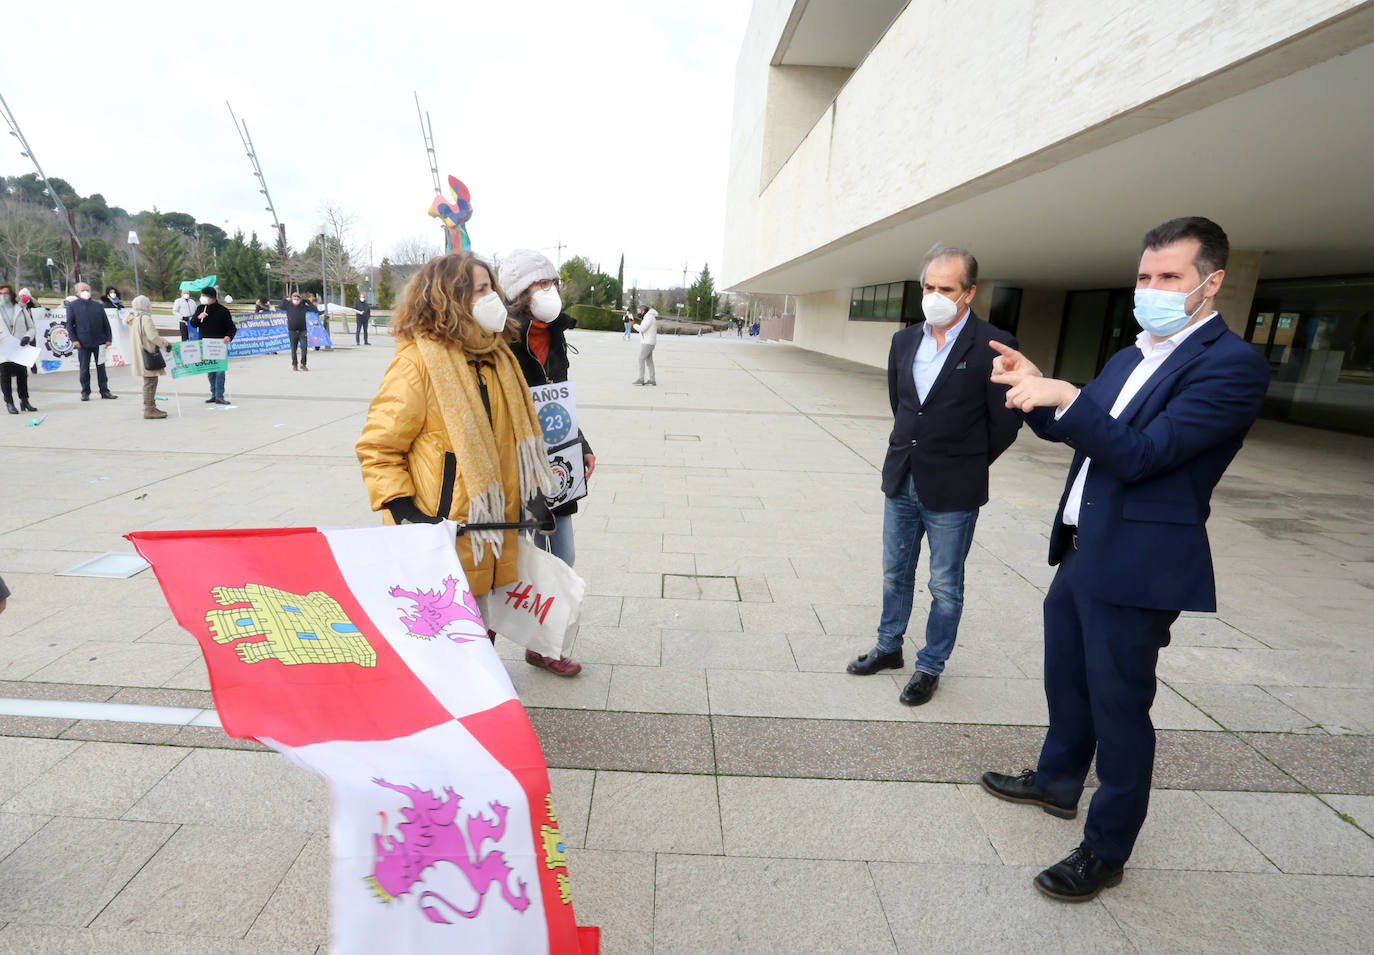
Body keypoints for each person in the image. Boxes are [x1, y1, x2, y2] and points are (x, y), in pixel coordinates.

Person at [979, 217, 1271, 903]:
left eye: (1169, 277)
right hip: (1083, 549)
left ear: (1211, 281)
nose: (1152, 288)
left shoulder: (1232, 365)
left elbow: (1143, 454)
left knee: (1119, 708)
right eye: (1144, 276)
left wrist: (1069, 397)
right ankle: (1055, 781)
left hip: (1139, 563)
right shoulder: (1130, 355)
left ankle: (1106, 850)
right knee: (1067, 679)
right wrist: (1035, 390)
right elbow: (1081, 429)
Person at [356, 251, 562, 666]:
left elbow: (511, 443)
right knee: (438, 643)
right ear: (451, 298)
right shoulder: (417, 363)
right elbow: (379, 448)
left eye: (492, 288)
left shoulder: (499, 357)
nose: (494, 299)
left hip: (494, 527)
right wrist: (404, 510)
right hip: (442, 529)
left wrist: (532, 495)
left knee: (476, 638)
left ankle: (476, 704)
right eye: (482, 290)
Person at [846, 246, 1021, 706]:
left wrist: (967, 462)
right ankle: (888, 648)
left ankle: (929, 667)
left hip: (954, 488)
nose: (935, 296)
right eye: (928, 287)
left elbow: (1005, 421)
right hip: (902, 476)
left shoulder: (994, 344)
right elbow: (902, 405)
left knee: (944, 584)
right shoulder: (905, 342)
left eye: (946, 288)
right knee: (894, 572)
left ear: (969, 293)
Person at [499, 249, 595, 677]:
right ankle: (480, 653)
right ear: (519, 293)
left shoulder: (555, 334)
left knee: (562, 556)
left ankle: (544, 646)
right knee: (505, 562)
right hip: (514, 466)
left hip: (558, 465)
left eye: (553, 283)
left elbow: (559, 397)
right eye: (540, 284)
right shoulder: (499, 338)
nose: (550, 291)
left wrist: (582, 443)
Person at [66, 282, 117, 401]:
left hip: (99, 341)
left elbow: (106, 323)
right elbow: (69, 325)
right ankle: (85, 392)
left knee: (101, 367)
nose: (85, 292)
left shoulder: (97, 305)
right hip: (82, 342)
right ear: (76, 293)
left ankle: (104, 391)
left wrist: (108, 338)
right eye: (82, 290)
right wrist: (74, 339)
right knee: (84, 368)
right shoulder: (72, 306)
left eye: (87, 289)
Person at [123, 294, 171, 420]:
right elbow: (153, 337)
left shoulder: (133, 318)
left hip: (139, 353)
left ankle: (150, 407)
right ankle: (149, 409)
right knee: (150, 381)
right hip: (148, 353)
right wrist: (165, 343)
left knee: (148, 381)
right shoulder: (145, 318)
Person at [190, 285, 236, 405]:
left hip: (219, 345)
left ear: (212, 297)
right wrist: (198, 317)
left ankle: (219, 395)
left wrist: (229, 336)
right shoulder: (200, 308)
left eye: (204, 296)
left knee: (220, 371)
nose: (202, 298)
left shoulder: (223, 311)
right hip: (205, 343)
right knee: (210, 371)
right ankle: (213, 394)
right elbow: (193, 324)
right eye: (202, 295)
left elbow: (231, 328)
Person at [0, 284, 39, 414]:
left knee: (22, 375)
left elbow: (31, 327)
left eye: (6, 293)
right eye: (1, 294)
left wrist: (27, 337)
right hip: (3, 349)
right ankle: (9, 403)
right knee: (5, 376)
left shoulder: (20, 309)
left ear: (12, 295)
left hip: (20, 348)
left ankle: (24, 400)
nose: (4, 296)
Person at [281, 291, 317, 370]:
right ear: (292, 299)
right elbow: (280, 306)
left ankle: (303, 364)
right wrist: (285, 299)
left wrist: (307, 301)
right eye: (294, 298)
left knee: (304, 348)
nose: (296, 300)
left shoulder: (303, 306)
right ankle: (295, 364)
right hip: (292, 331)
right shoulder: (288, 305)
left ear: (300, 299)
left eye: (298, 298)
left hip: (302, 330)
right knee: (294, 349)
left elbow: (314, 309)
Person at [631, 304, 658, 385]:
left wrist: (633, 324)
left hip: (648, 342)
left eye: (639, 311)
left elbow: (642, 329)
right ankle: (652, 380)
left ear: (643, 311)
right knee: (649, 361)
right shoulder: (649, 317)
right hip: (649, 342)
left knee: (641, 359)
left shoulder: (648, 317)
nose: (638, 313)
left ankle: (641, 379)